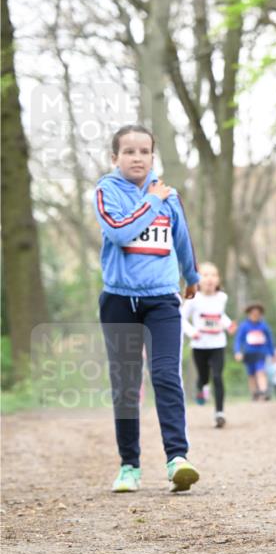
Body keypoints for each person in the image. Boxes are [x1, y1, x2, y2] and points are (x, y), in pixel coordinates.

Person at [94, 124, 200, 493]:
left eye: (144, 151)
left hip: (162, 299)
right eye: (129, 151)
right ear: (115, 158)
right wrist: (151, 201)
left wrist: (192, 274)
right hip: (119, 299)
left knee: (166, 375)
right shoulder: (107, 191)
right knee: (125, 384)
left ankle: (177, 460)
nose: (137, 157)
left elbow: (181, 236)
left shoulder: (169, 196)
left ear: (153, 156)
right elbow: (121, 232)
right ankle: (129, 467)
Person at [181, 261, 234, 428]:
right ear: (198, 279)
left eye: (214, 275)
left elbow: (220, 316)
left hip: (218, 343)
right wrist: (192, 332)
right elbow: (181, 318)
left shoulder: (222, 298)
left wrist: (229, 324)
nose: (210, 279)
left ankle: (219, 413)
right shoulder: (193, 299)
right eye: (205, 275)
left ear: (218, 280)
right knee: (204, 376)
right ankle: (201, 387)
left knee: (217, 376)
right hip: (200, 345)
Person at [234, 303, 275, 400]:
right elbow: (238, 340)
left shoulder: (264, 326)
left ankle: (264, 391)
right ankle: (254, 393)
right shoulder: (244, 326)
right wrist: (237, 351)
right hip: (249, 353)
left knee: (261, 371)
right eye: (253, 314)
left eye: (257, 314)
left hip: (261, 352)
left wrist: (272, 352)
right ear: (249, 314)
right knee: (251, 374)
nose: (255, 316)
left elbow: (270, 339)